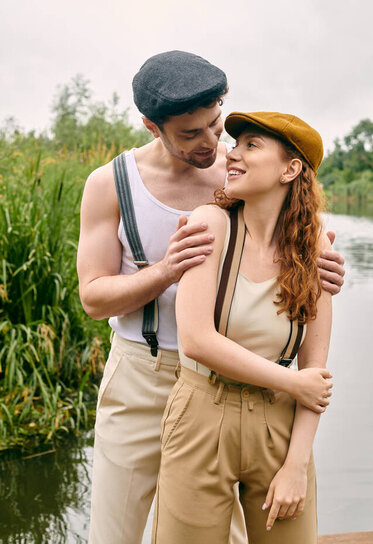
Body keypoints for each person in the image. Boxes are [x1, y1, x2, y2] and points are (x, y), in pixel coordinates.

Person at [77, 51, 345, 544]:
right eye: (190, 134)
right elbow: (93, 299)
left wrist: (319, 269)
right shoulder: (111, 184)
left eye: (215, 124)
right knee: (115, 532)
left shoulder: (241, 168)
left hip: (234, 380)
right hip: (145, 371)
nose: (213, 144)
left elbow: (293, 229)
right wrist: (165, 271)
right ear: (152, 127)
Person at [152, 111, 333, 544]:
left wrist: (296, 466)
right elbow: (196, 340)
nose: (230, 154)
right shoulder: (210, 224)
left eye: (251, 145)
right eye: (235, 144)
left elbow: (316, 372)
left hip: (280, 425)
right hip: (201, 415)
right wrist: (293, 384)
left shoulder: (315, 245)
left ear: (290, 169)